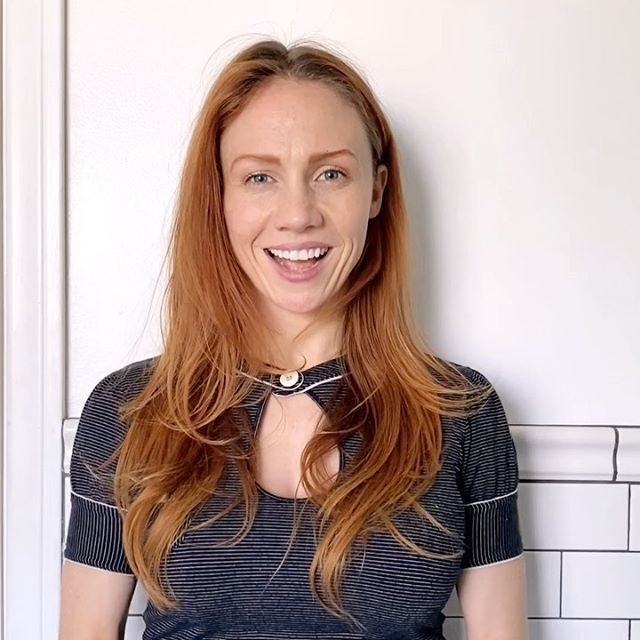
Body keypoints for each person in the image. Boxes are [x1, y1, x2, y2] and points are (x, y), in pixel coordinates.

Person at [59, 38, 528, 640]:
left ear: (376, 191)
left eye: (331, 173)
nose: (298, 213)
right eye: (259, 177)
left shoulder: (461, 413)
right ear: (219, 197)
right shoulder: (128, 412)